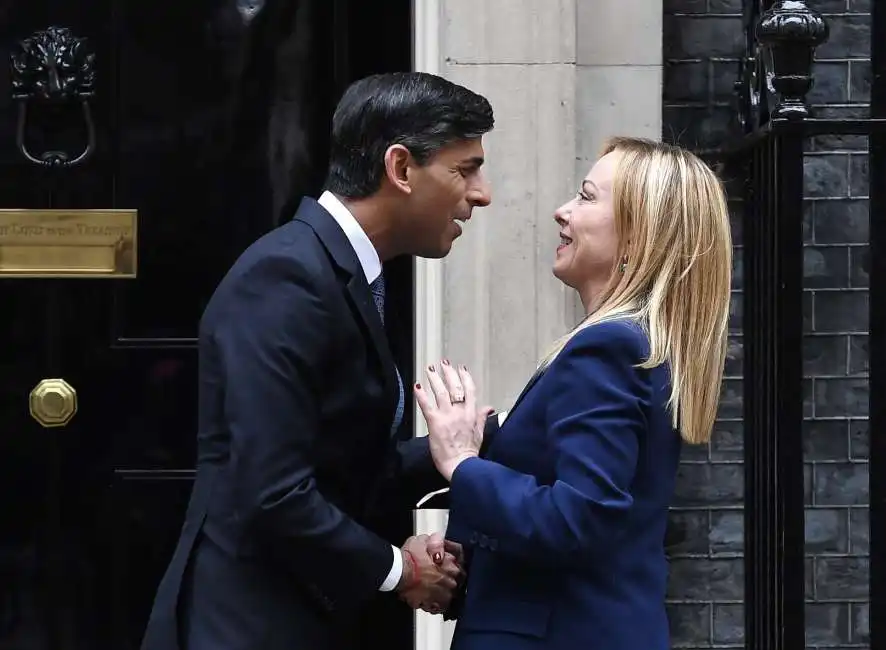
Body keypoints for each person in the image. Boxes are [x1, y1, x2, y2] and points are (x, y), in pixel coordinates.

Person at [140, 71, 494, 650]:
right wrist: (400, 570)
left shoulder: (349, 274)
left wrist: (474, 444)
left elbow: (349, 470)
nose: (482, 193)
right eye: (465, 169)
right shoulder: (286, 279)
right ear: (401, 169)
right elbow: (274, 493)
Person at [414, 136, 733, 650]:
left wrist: (463, 463)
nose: (562, 212)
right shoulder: (633, 345)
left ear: (636, 238)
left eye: (586, 197)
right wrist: (462, 568)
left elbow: (577, 518)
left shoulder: (608, 347)